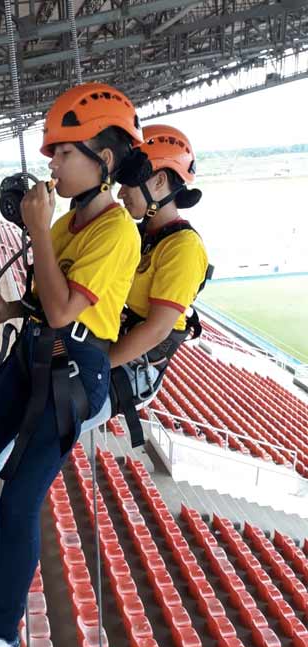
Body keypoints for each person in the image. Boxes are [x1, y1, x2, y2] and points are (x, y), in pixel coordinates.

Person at [0, 82, 144, 647]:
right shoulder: (67, 226)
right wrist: (12, 308)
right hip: (34, 351)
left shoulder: (116, 231)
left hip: (75, 372)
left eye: (65, 153)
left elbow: (67, 310)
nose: (53, 164)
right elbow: (46, 298)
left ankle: (3, 637)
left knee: (20, 502)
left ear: (104, 160)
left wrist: (39, 229)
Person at [107, 125, 209, 443]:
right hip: (118, 347)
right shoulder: (142, 236)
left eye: (128, 184)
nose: (121, 194)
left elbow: (157, 330)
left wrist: (98, 365)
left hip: (134, 367)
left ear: (160, 181)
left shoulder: (183, 248)